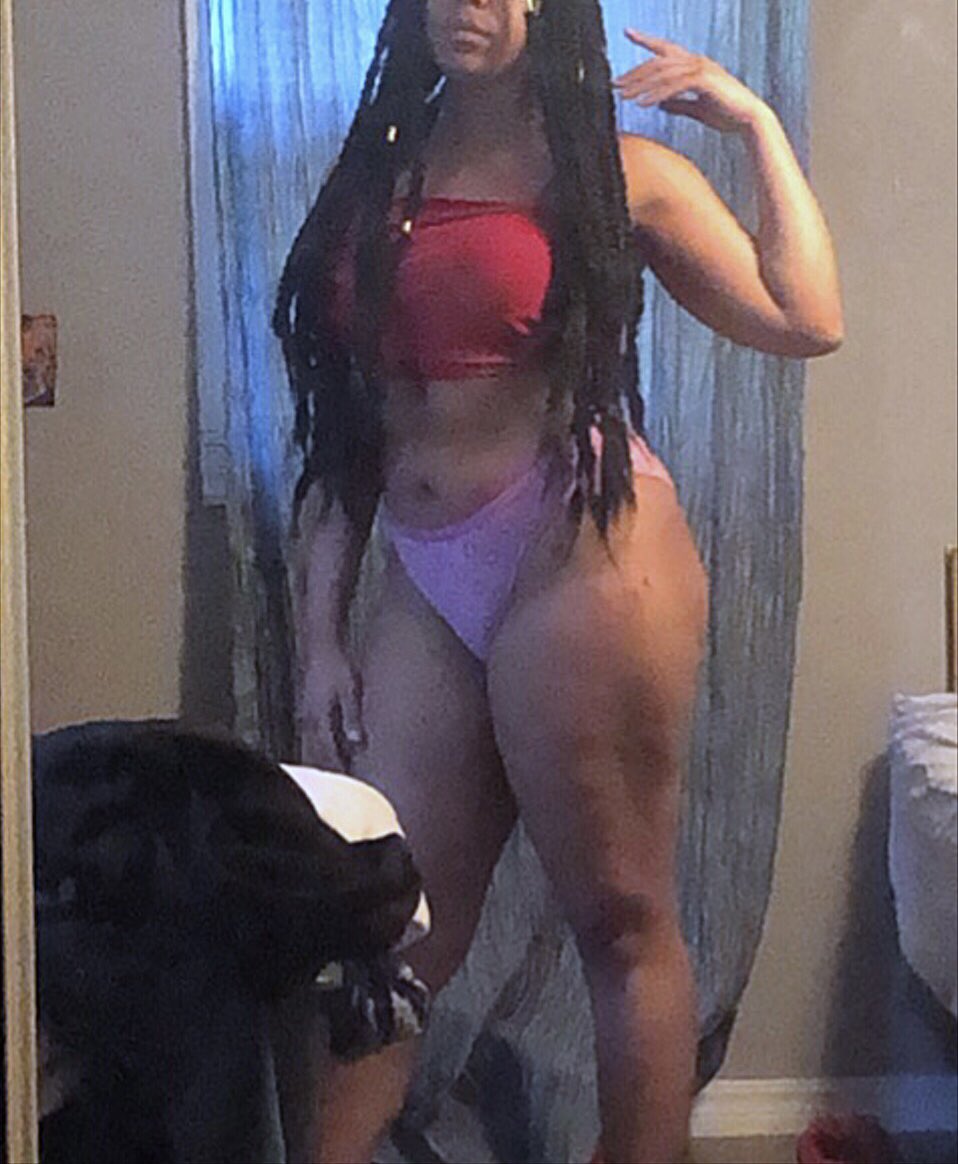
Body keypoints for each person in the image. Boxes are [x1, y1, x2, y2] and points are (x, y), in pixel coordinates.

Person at [273, 1, 843, 1160]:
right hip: (425, 570)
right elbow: (345, 431)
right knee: (393, 928)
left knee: (621, 922)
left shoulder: (613, 175)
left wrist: (752, 123)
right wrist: (320, 635)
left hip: (576, 547)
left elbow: (804, 318)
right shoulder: (376, 168)